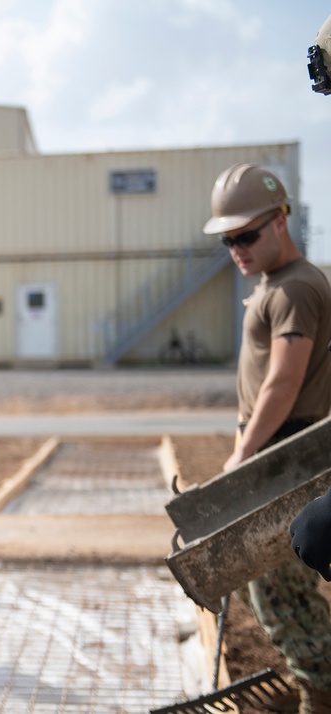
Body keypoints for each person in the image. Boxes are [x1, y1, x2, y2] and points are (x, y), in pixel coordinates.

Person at [203, 162, 331, 714]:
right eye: (228, 239)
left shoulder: (297, 286)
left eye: (247, 235)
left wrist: (242, 454)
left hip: (284, 455)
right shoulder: (278, 285)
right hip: (278, 451)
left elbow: (283, 382)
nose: (237, 249)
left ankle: (320, 689)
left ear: (281, 220)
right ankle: (318, 680)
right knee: (280, 587)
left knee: (279, 587)